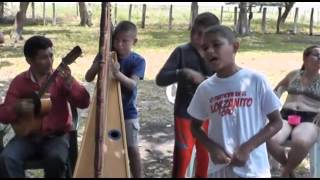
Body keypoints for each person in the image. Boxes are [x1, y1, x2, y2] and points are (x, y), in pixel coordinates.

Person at [187, 25, 283, 178]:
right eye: (205, 48)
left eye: (216, 45)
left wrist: (247, 148)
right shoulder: (205, 88)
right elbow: (195, 127)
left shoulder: (255, 80)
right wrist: (211, 148)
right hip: (220, 170)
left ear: (235, 47)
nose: (210, 50)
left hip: (254, 169)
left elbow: (276, 122)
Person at [0, 36, 90, 178]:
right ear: (29, 61)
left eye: (51, 56)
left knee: (56, 159)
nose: (49, 61)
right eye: (43, 58)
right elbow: (3, 115)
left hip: (56, 137)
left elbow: (85, 102)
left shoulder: (61, 78)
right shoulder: (19, 82)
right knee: (7, 158)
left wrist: (70, 84)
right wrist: (17, 107)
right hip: (27, 137)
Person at [155, 12, 220, 178]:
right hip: (185, 113)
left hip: (210, 115)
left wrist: (205, 80)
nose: (195, 36)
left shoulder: (217, 54)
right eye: (193, 31)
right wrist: (181, 72)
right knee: (183, 157)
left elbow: (226, 79)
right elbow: (160, 79)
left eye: (201, 34)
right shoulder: (181, 52)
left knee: (206, 158)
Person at [85, 21, 146, 178]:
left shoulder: (138, 61)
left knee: (132, 148)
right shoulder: (104, 55)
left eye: (124, 41)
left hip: (128, 112)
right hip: (103, 110)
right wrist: (97, 66)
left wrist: (117, 74)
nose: (119, 44)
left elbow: (132, 85)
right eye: (116, 40)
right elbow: (88, 77)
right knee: (101, 146)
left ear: (134, 41)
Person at [267, 45, 320, 177]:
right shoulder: (293, 74)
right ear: (305, 57)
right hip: (285, 115)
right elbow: (276, 91)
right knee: (269, 139)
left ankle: (285, 173)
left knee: (301, 142)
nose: (319, 58)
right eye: (316, 54)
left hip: (310, 118)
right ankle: (290, 170)